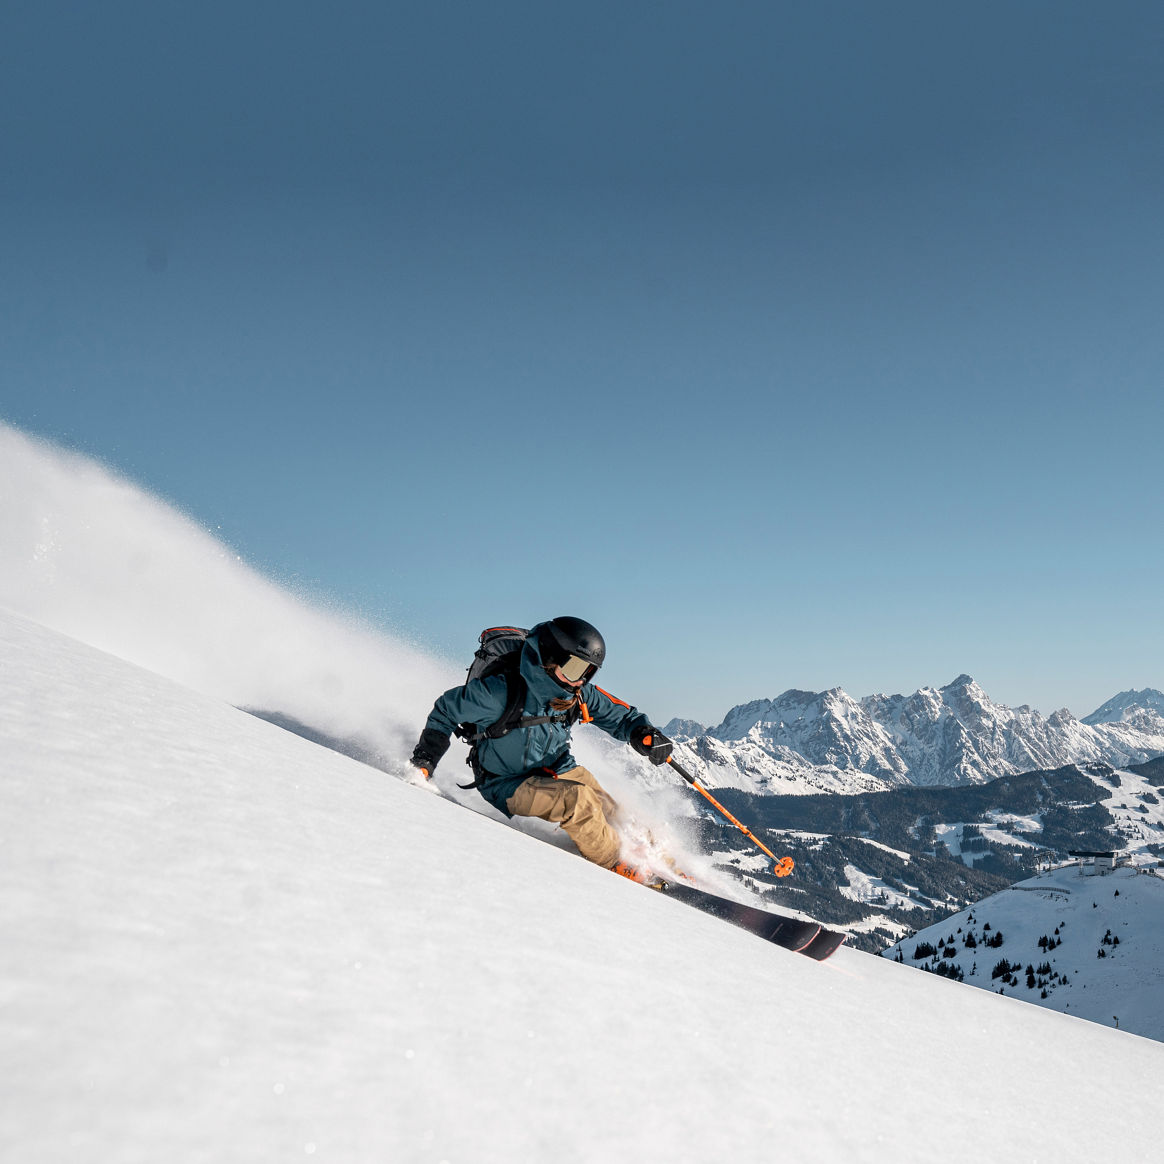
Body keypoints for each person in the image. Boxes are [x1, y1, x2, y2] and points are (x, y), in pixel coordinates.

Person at [410, 616, 674, 882]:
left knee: (615, 811)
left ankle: (665, 861)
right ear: (548, 659)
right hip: (507, 782)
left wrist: (643, 733)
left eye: (588, 672)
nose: (581, 680)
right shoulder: (498, 693)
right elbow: (446, 708)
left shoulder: (575, 693)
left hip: (557, 768)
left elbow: (620, 715)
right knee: (579, 802)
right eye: (575, 669)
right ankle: (620, 864)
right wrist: (425, 760)